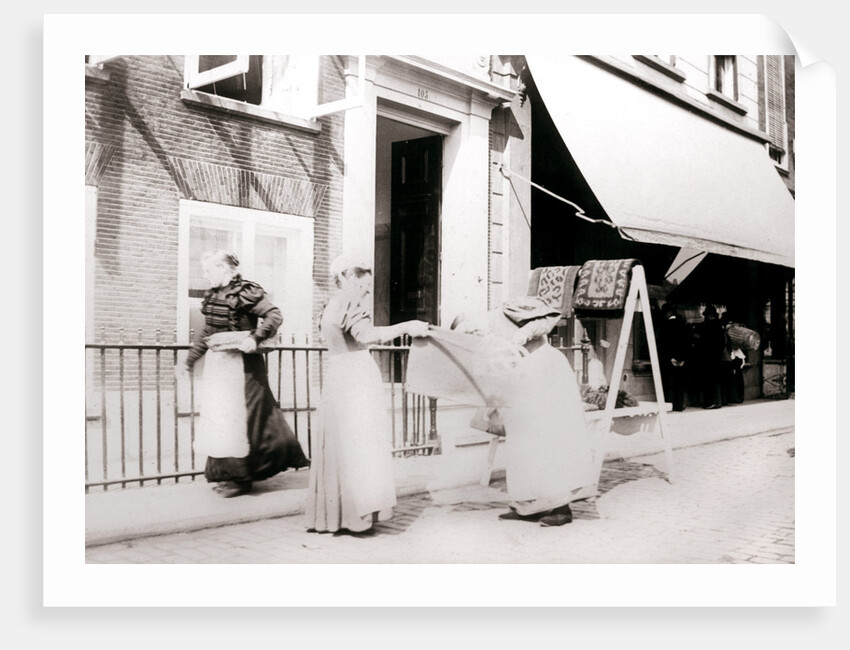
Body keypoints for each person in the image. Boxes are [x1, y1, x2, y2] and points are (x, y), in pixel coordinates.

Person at [304, 254, 430, 535]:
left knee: (341, 443)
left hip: (337, 374)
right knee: (361, 444)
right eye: (362, 276)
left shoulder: (330, 304)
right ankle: (358, 517)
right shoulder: (349, 301)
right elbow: (366, 336)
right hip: (357, 376)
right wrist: (407, 326)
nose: (368, 282)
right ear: (347, 277)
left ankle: (335, 516)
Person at [452, 296, 595, 527]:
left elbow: (549, 318)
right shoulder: (485, 339)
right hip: (522, 374)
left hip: (545, 367)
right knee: (523, 444)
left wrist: (523, 334)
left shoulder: (508, 309)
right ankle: (527, 506)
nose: (474, 337)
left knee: (549, 437)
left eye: (471, 332)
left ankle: (561, 507)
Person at [181, 250, 309, 498]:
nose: (206, 276)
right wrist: (188, 361)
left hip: (244, 367)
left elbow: (274, 315)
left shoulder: (245, 291)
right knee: (221, 419)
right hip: (219, 366)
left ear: (226, 270)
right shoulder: (214, 294)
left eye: (209, 271)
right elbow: (207, 332)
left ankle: (243, 479)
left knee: (242, 420)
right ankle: (228, 475)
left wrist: (255, 337)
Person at [656, 302, 690, 412]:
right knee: (679, 384)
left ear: (668, 313)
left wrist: (670, 358)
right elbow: (687, 344)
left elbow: (662, 346)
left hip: (668, 360)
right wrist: (683, 359)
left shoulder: (663, 328)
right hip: (681, 361)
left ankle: (666, 405)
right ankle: (679, 405)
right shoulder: (683, 326)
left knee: (666, 384)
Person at [696, 304, 726, 409]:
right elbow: (722, 342)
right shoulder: (720, 326)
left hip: (707, 357)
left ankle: (709, 402)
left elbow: (701, 342)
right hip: (717, 357)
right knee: (716, 379)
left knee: (708, 381)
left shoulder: (706, 326)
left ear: (709, 316)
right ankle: (718, 401)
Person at [720, 311, 746, 404]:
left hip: (732, 356)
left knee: (733, 379)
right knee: (738, 378)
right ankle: (738, 397)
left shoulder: (728, 329)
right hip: (737, 355)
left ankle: (734, 397)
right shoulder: (736, 327)